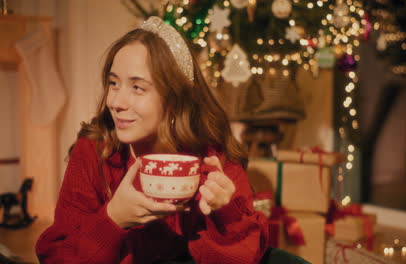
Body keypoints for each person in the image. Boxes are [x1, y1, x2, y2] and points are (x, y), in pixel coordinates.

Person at [35, 16, 269, 264]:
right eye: (113, 83)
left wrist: (225, 212)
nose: (116, 102)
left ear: (174, 98)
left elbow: (244, 258)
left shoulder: (212, 156)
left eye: (137, 88)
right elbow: (56, 257)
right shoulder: (96, 150)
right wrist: (113, 219)